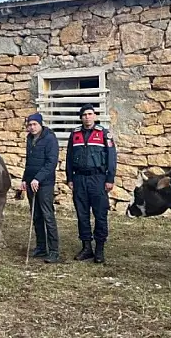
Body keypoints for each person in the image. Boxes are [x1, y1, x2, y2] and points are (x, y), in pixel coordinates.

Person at [65, 104, 117, 264]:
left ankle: (99, 249)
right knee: (82, 215)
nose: (87, 117)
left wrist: (110, 179)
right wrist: (69, 178)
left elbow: (112, 158)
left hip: (98, 179)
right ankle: (87, 247)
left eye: (90, 114)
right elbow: (68, 157)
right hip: (79, 179)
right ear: (81, 118)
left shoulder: (104, 134)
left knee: (100, 214)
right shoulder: (75, 135)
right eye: (84, 115)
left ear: (94, 116)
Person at [20, 113, 60, 263]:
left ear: (40, 124)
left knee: (47, 215)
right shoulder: (30, 139)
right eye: (29, 125)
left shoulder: (50, 139)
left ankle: (54, 251)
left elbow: (51, 162)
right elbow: (29, 162)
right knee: (36, 215)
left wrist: (38, 178)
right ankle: (41, 247)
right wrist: (25, 179)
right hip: (31, 183)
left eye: (34, 124)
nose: (31, 127)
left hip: (45, 183)